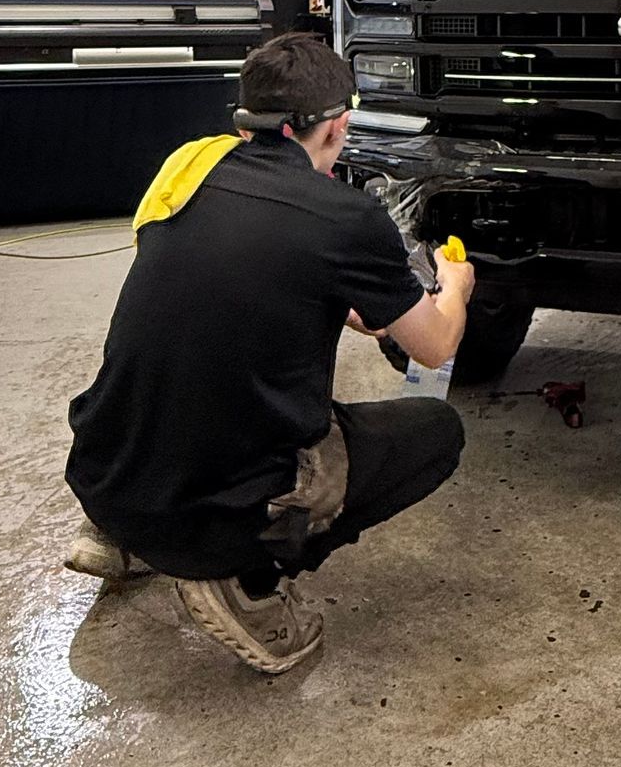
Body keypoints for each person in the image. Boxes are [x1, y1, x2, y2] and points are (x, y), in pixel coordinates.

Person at [63, 34, 475, 676]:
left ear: (243, 120)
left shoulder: (189, 165)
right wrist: (456, 289)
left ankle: (117, 534)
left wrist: (335, 298)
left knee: (179, 373)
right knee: (436, 432)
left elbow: (218, 273)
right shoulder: (346, 215)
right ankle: (244, 581)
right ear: (339, 127)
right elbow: (436, 342)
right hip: (213, 516)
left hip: (105, 470)